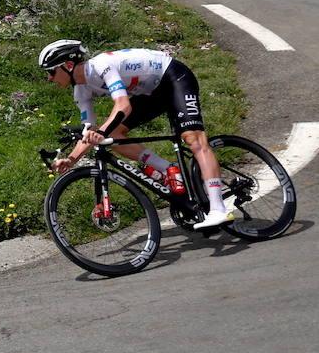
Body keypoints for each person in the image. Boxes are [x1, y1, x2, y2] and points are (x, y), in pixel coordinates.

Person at [40, 39, 234, 229]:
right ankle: (168, 169)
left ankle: (218, 208)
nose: (49, 78)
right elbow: (89, 132)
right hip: (151, 93)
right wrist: (71, 159)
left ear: (68, 65)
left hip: (174, 77)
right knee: (113, 135)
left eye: (51, 72)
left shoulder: (101, 65)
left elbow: (123, 105)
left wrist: (100, 131)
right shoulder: (80, 91)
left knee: (193, 139)